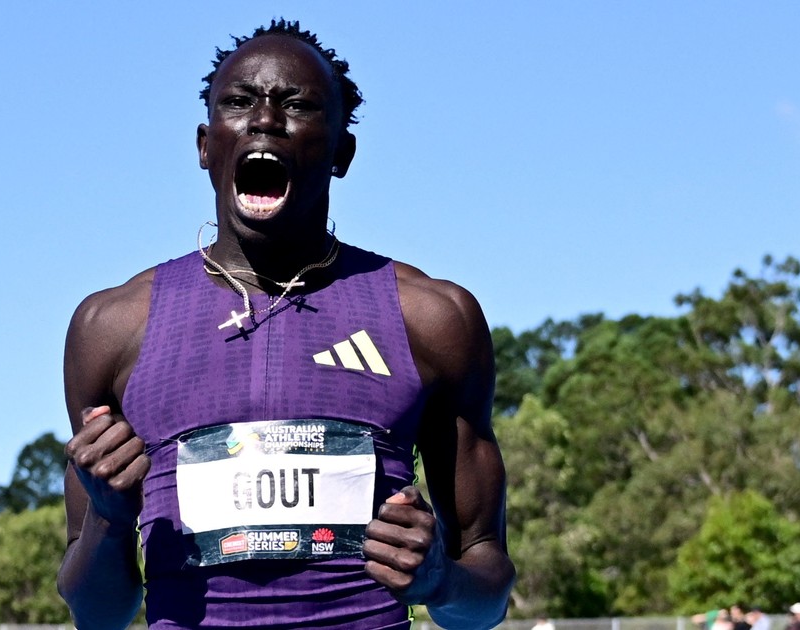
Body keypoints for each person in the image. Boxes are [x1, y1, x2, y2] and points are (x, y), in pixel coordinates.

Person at [57, 19, 515, 630]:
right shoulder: (111, 327)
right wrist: (110, 520)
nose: (266, 120)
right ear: (206, 145)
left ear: (342, 152)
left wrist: (441, 580)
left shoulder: (432, 319)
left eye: (297, 105)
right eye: (239, 101)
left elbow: (486, 600)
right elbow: (98, 615)